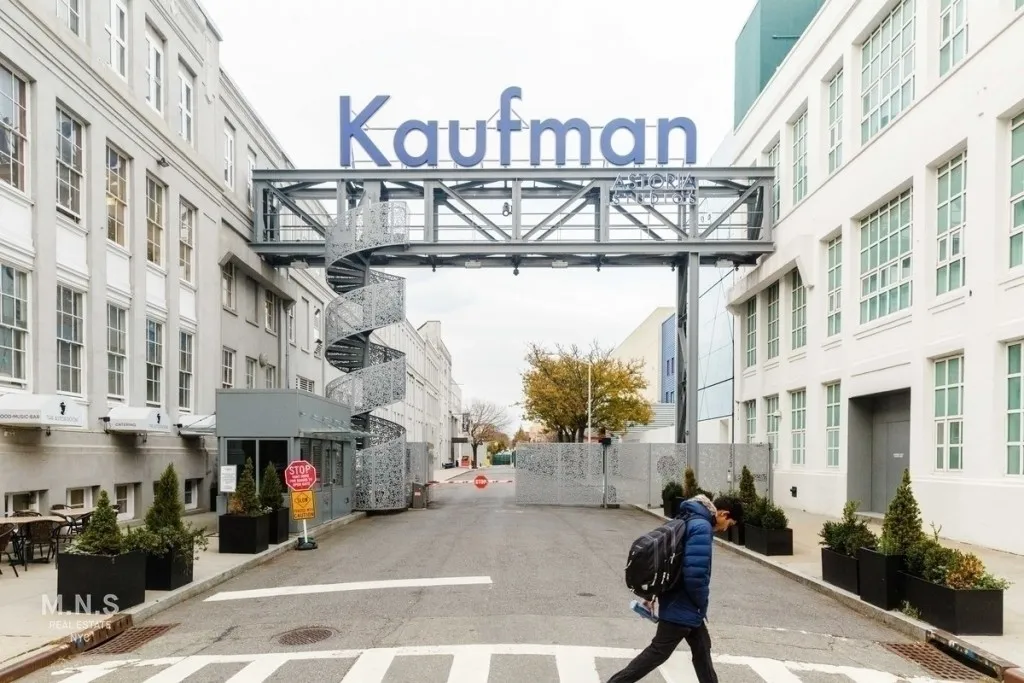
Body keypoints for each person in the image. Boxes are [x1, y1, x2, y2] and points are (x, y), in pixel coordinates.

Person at [608, 494, 743, 683]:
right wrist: (701, 601)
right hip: (682, 605)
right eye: (729, 524)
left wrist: (653, 594)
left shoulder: (687, 518)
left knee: (702, 649)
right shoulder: (702, 527)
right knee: (658, 652)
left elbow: (670, 561)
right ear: (724, 514)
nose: (725, 529)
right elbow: (695, 575)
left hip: (683, 604)